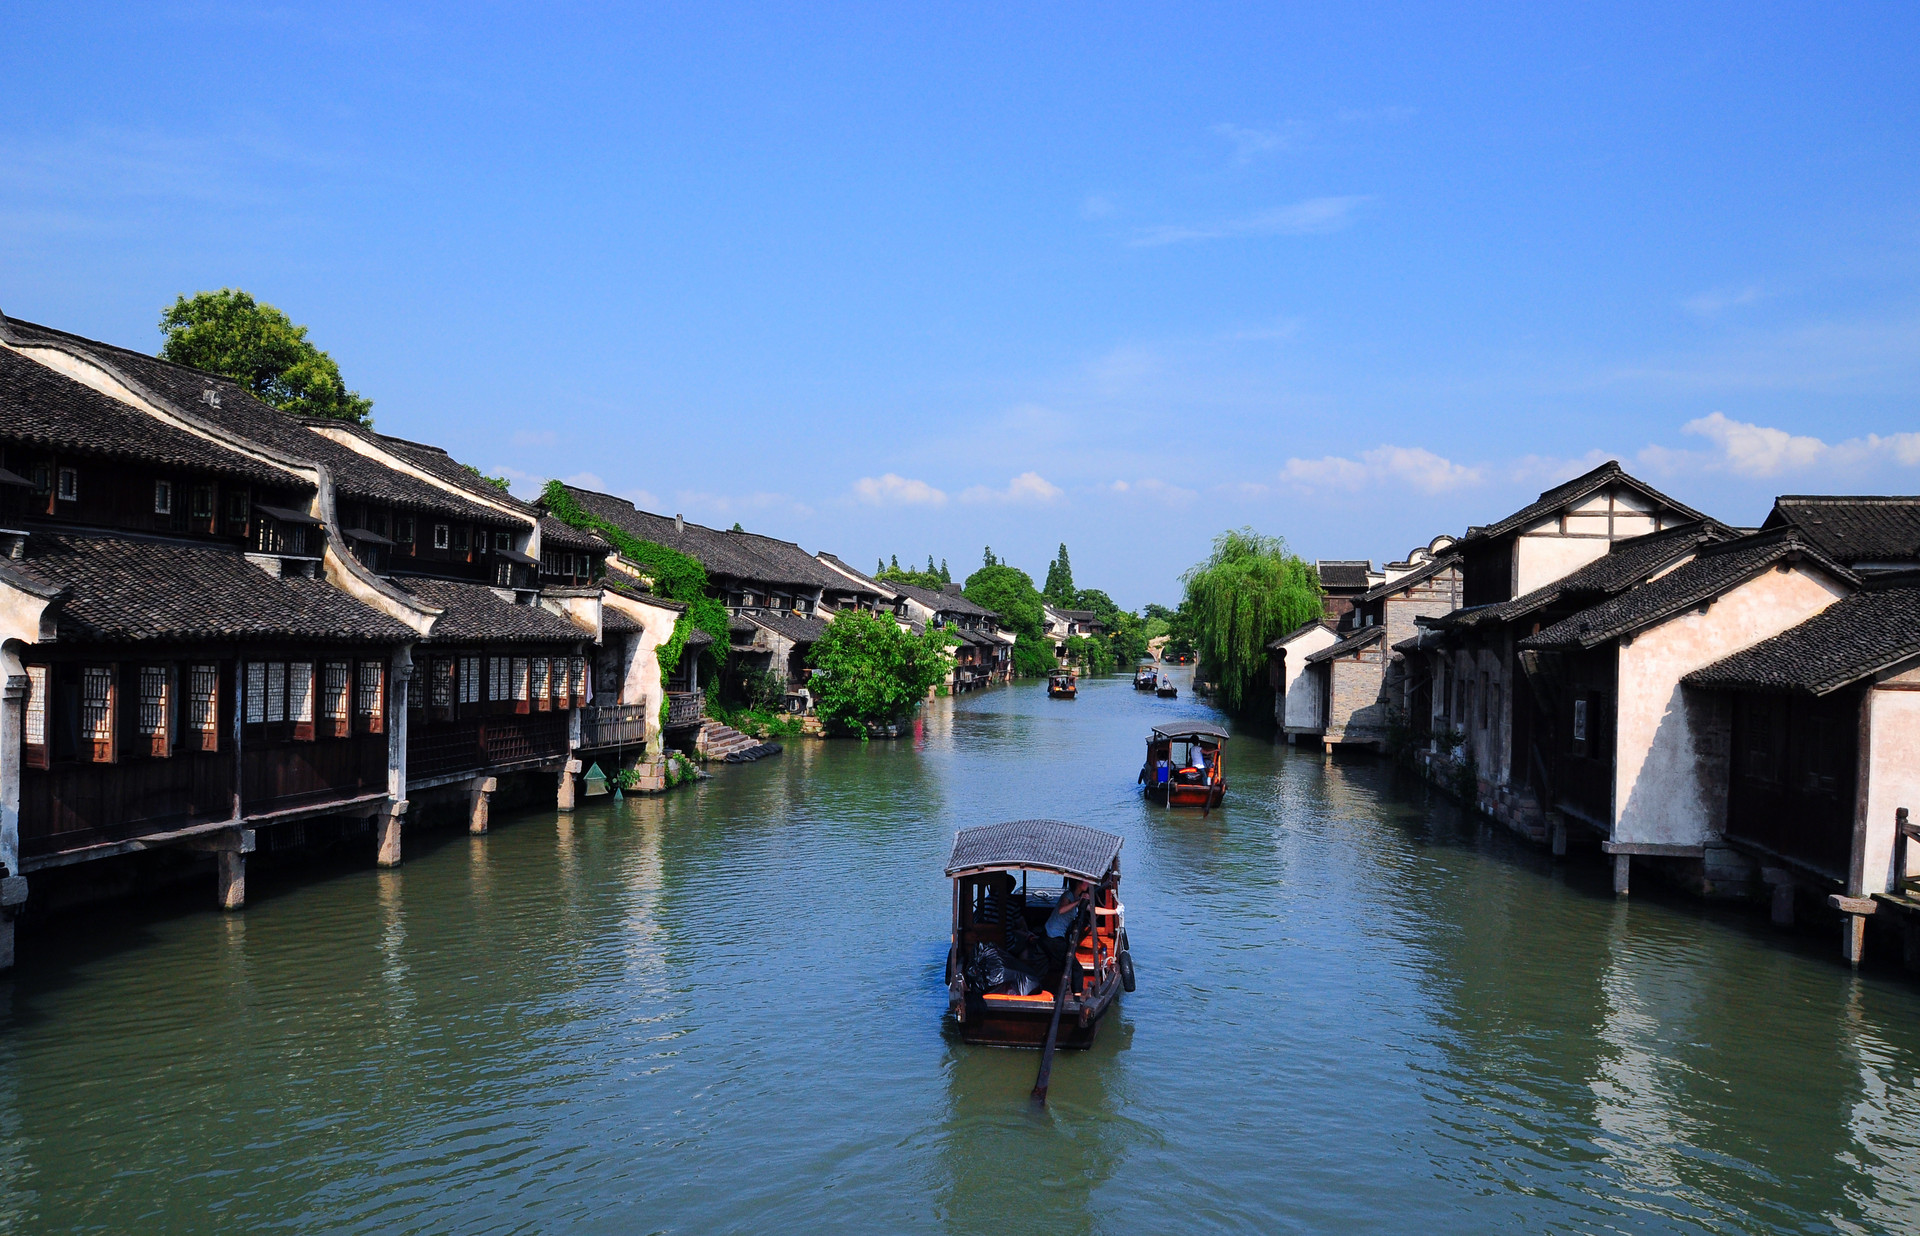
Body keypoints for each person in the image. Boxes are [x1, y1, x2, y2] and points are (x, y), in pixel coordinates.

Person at [1041, 879, 1088, 971]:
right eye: (1086, 881)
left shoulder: (1076, 898)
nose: (1088, 883)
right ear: (1078, 883)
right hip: (1052, 936)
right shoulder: (1068, 895)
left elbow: (1093, 909)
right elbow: (1061, 910)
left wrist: (1114, 911)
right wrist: (1079, 902)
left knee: (1063, 965)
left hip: (1055, 937)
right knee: (1076, 969)